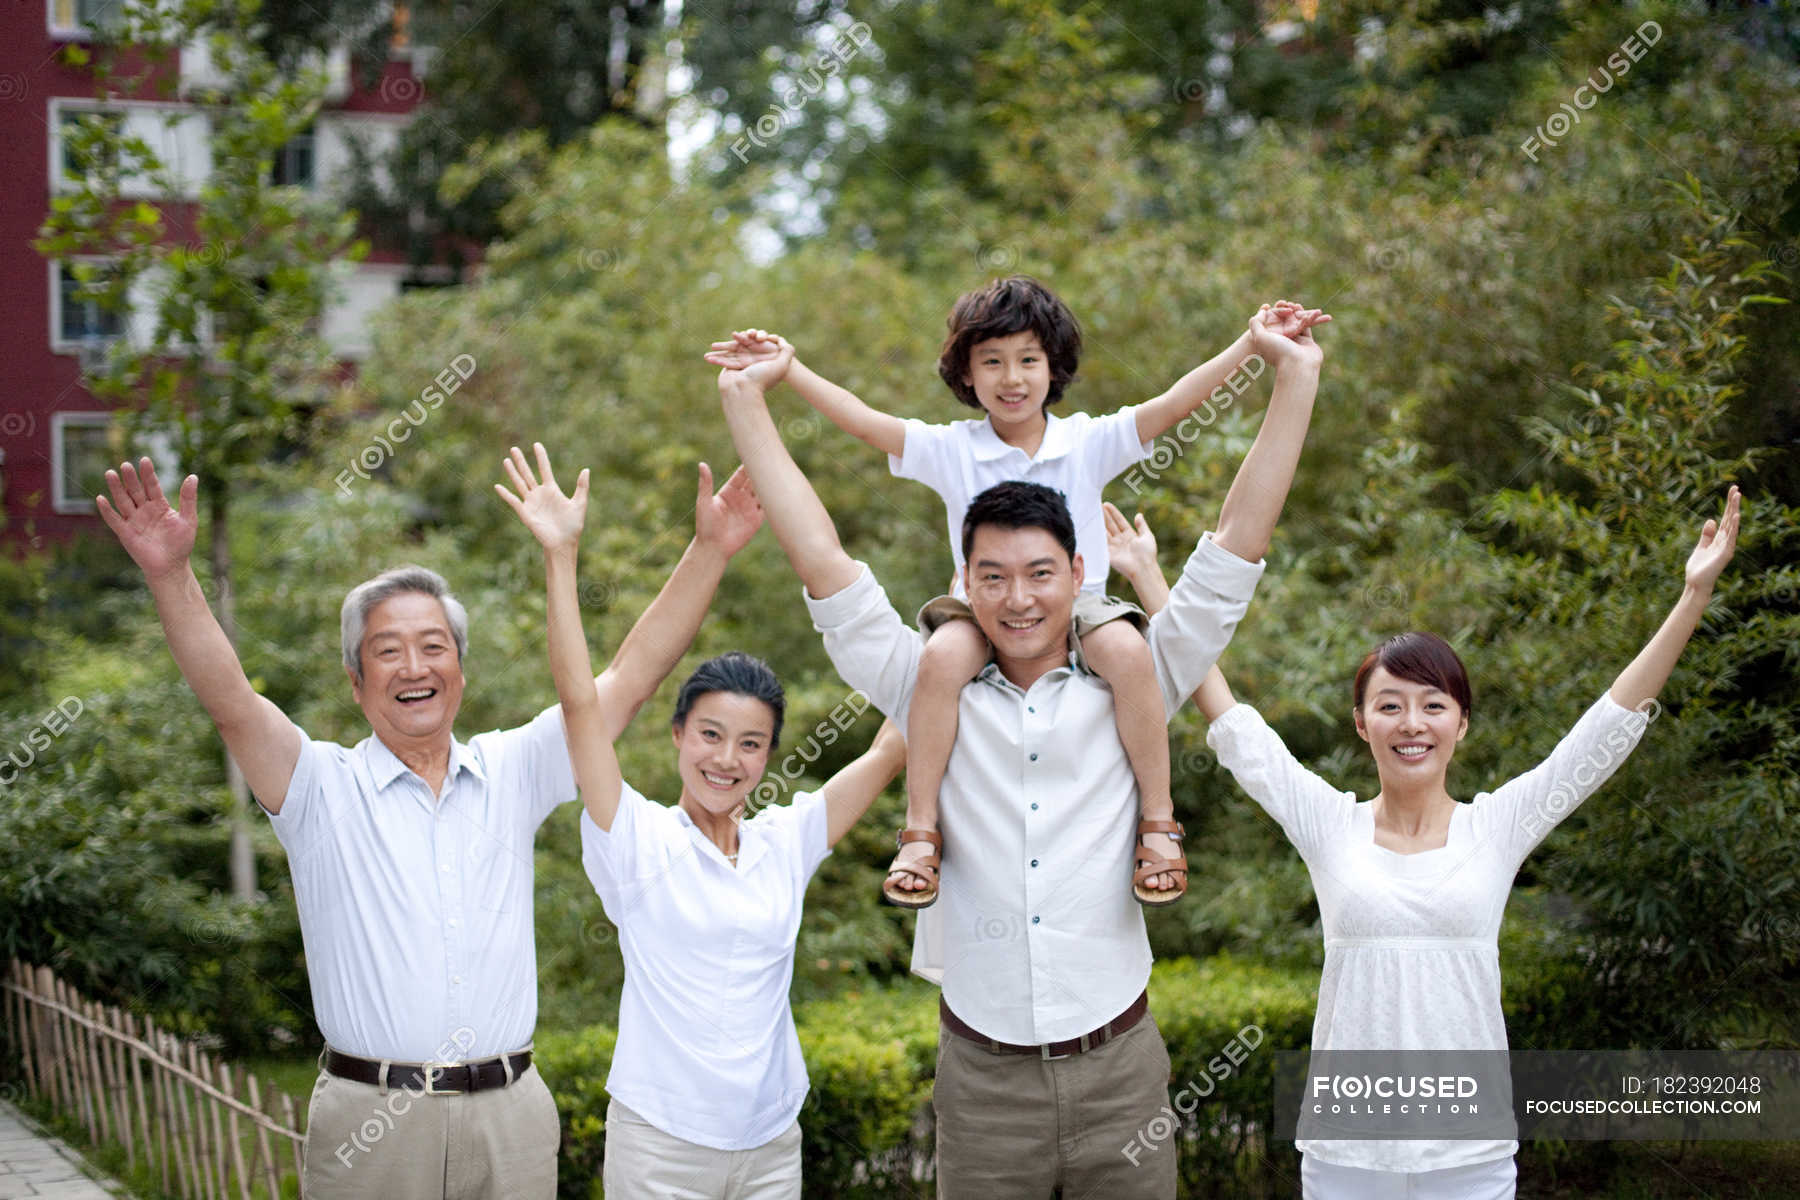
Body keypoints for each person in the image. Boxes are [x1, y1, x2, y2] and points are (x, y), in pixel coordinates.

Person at [711, 306, 1324, 1199]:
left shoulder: (1136, 679)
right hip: (982, 1083)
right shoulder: (929, 688)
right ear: (963, 583)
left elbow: (1237, 545)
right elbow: (823, 560)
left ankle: (1165, 823)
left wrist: (1292, 377)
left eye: (1040, 574)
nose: (1018, 598)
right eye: (991, 577)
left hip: (1122, 1071)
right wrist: (749, 403)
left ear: (1080, 576)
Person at [94, 455, 762, 1198]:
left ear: (461, 673)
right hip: (370, 1127)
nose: (414, 666)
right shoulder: (319, 785)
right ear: (356, 682)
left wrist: (711, 547)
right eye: (387, 651)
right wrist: (168, 574)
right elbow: (231, 700)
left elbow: (633, 675)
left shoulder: (514, 769)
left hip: (510, 1122)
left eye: (433, 646)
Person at [1101, 489, 1742, 1200]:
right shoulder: (1328, 824)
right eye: (1390, 705)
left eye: (1434, 705)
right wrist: (1148, 578)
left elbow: (1604, 732)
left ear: (1461, 723)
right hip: (1346, 1159)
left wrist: (1693, 594)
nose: (1413, 723)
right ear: (1361, 723)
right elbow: (1228, 718)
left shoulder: (1496, 829)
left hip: (1469, 1158)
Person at [705, 281, 1328, 909]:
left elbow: (1174, 404)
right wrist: (790, 372)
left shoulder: (1087, 440)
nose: (1012, 378)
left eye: (1028, 359)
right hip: (976, 608)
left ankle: (1159, 819)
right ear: (966, 374)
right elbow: (865, 423)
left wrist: (1251, 347)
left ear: (1053, 366)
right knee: (941, 659)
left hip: (1082, 606)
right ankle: (920, 829)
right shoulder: (952, 448)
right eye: (992, 361)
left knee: (1130, 652)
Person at [494, 443, 906, 1199]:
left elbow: (893, 745)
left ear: (770, 755)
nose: (728, 759)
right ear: (678, 736)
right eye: (711, 735)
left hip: (771, 1144)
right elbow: (584, 702)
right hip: (661, 1147)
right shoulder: (635, 835)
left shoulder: (785, 841)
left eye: (751, 744)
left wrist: (969, 630)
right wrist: (562, 558)